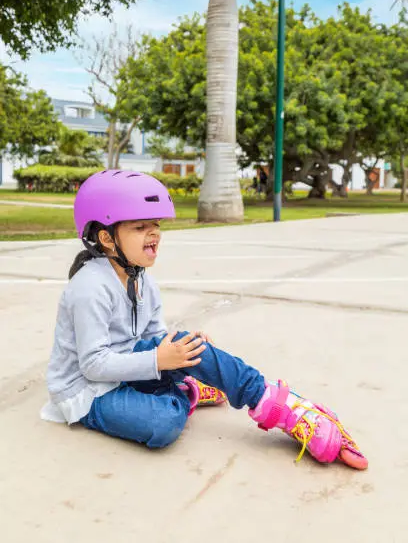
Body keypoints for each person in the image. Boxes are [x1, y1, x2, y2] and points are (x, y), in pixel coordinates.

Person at [40, 170, 368, 469]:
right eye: (140, 227)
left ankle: (280, 404)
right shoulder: (90, 288)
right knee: (162, 425)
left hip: (129, 365)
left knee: (190, 345)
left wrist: (178, 351)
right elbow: (93, 365)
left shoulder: (141, 279)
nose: (153, 234)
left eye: (155, 225)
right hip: (89, 392)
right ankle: (188, 388)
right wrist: (161, 360)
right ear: (106, 238)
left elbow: (156, 336)